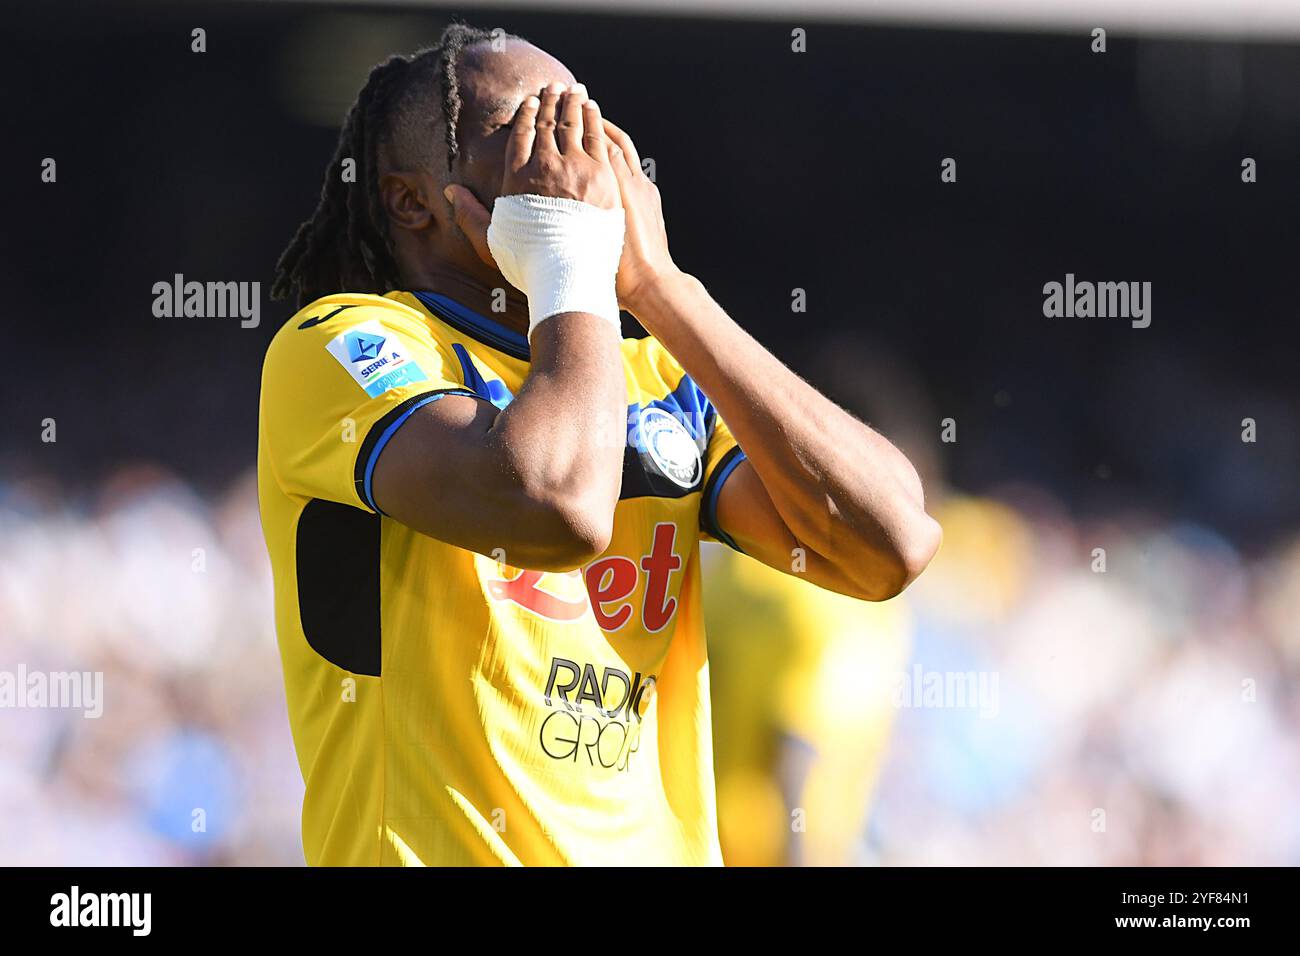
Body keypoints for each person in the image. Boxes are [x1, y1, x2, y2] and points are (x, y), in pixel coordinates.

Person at [257, 23, 940, 865]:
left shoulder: (650, 372)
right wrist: (573, 265)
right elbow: (555, 506)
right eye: (530, 130)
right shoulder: (340, 345)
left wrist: (660, 286)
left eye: (582, 120)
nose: (576, 158)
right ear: (412, 200)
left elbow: (892, 545)